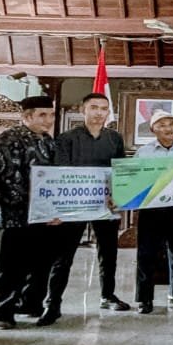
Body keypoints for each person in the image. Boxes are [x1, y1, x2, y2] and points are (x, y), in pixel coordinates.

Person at [45, 93, 128, 325]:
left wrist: (119, 195)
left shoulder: (114, 138)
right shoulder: (66, 138)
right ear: (83, 110)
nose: (99, 112)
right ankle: (53, 303)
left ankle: (108, 295)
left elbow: (120, 170)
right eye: (94, 107)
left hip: (105, 203)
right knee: (63, 256)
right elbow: (60, 172)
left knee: (108, 253)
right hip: (75, 204)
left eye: (103, 108)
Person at [0, 96, 58, 328]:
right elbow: (8, 181)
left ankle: (30, 304)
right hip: (15, 216)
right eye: (42, 115)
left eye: (51, 115)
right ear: (27, 116)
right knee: (11, 266)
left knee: (40, 263)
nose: (48, 120)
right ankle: (3, 313)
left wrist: (54, 208)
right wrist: (36, 206)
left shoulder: (48, 141)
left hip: (43, 215)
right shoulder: (8, 140)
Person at [132, 109, 173, 314]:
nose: (167, 128)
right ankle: (145, 299)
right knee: (147, 254)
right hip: (152, 210)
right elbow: (134, 179)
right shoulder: (144, 153)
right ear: (153, 130)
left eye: (171, 124)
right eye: (161, 125)